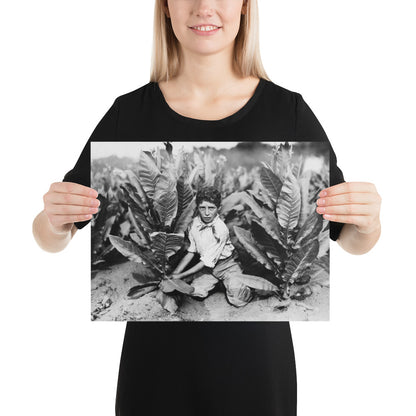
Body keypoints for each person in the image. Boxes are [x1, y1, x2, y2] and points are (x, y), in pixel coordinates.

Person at [32, 1, 382, 415]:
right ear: (165, 8)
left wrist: (369, 221)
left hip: (256, 379)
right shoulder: (129, 114)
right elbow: (50, 236)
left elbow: (352, 240)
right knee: (193, 286)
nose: (204, 7)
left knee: (228, 284)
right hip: (154, 379)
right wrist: (53, 222)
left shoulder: (288, 112)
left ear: (245, 7)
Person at [169, 186, 280, 307]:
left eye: (211, 208)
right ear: (197, 208)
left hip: (228, 266)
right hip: (210, 269)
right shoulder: (194, 224)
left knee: (238, 300)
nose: (207, 213)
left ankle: (241, 286)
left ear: (219, 208)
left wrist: (179, 276)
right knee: (195, 291)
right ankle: (218, 284)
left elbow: (205, 261)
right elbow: (191, 251)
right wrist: (174, 273)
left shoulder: (220, 230)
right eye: (202, 208)